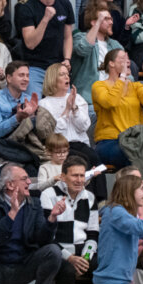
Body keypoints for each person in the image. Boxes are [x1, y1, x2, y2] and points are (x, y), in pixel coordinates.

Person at [40, 156, 100, 284]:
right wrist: (70, 258)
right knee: (65, 270)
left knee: (107, 266)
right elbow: (46, 235)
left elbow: (93, 233)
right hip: (58, 250)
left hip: (83, 251)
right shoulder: (48, 194)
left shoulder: (90, 197)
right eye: (74, 175)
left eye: (82, 175)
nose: (79, 180)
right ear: (63, 176)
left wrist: (86, 257)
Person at [38, 63, 104, 192]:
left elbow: (84, 126)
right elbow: (55, 133)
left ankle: (101, 199)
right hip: (62, 146)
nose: (66, 77)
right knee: (83, 160)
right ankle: (86, 196)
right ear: (52, 78)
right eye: (62, 75)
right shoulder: (44, 104)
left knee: (97, 161)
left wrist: (74, 108)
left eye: (67, 74)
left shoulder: (77, 98)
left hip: (80, 143)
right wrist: (66, 110)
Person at [16, 0, 74, 96]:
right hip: (36, 67)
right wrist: (45, 19)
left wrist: (67, 59)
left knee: (66, 105)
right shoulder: (27, 8)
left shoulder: (65, 4)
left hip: (58, 66)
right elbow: (30, 43)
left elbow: (68, 36)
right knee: (34, 106)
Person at [92, 49, 143, 168]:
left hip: (135, 141)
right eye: (122, 59)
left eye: (128, 59)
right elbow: (110, 102)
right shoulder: (99, 86)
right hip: (110, 141)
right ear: (111, 63)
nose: (127, 62)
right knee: (132, 153)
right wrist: (121, 77)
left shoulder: (136, 86)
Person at [70, 7, 124, 106]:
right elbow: (83, 49)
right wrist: (98, 22)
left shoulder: (115, 45)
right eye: (106, 19)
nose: (111, 22)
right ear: (94, 22)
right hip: (88, 101)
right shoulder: (79, 37)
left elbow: (126, 71)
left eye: (111, 19)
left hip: (113, 98)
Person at [0, 60, 38, 142]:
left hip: (23, 144)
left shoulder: (30, 100)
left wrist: (33, 116)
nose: (26, 79)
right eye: (21, 75)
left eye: (27, 76)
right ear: (9, 78)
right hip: (0, 146)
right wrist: (17, 118)